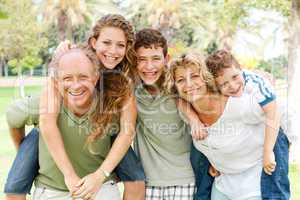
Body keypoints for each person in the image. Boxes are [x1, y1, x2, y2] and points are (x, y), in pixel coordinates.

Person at [4, 14, 145, 200]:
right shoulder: (69, 59)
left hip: (103, 128)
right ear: (93, 42)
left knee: (136, 178)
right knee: (15, 184)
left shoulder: (122, 79)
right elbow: (47, 122)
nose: (113, 51)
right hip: (51, 124)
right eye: (107, 43)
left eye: (120, 45)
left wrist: (101, 174)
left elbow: (127, 132)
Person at [166, 51, 290, 200]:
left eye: (194, 76)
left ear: (206, 78)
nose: (189, 84)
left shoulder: (238, 105)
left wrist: (272, 150)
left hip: (254, 185)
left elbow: (277, 111)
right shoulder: (187, 110)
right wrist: (214, 160)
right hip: (223, 185)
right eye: (181, 80)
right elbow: (177, 99)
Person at [133, 28, 195, 200]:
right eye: (142, 60)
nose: (149, 66)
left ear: (166, 59)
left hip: (184, 180)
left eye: (155, 59)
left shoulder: (179, 88)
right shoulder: (132, 92)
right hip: (148, 183)